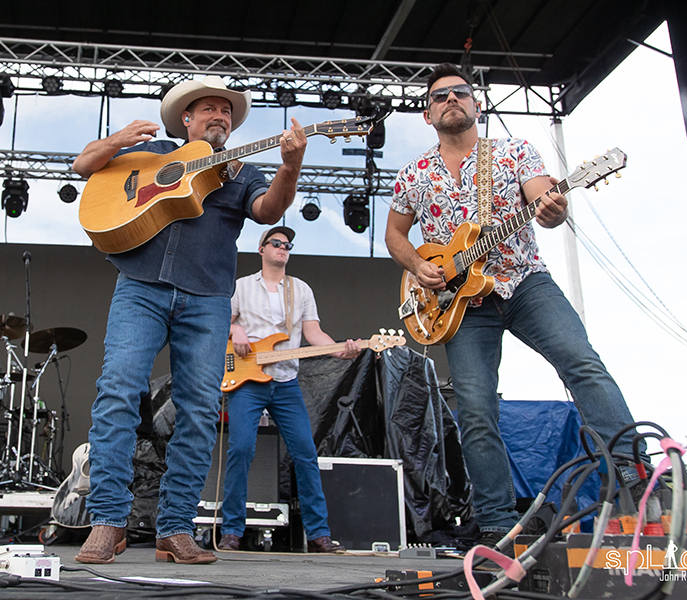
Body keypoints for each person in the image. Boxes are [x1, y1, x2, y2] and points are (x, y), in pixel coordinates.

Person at [385, 63, 644, 548]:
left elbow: (544, 201)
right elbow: (394, 235)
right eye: (440, 96)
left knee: (582, 363)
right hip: (459, 306)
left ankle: (633, 471)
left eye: (460, 92)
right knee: (478, 410)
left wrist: (555, 206)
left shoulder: (514, 152)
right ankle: (497, 522)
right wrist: (419, 266)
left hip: (524, 283)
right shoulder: (415, 173)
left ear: (476, 104)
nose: (451, 100)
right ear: (427, 114)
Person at [71, 75, 308, 564]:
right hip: (141, 286)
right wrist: (117, 141)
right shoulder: (154, 153)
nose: (219, 116)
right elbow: (83, 166)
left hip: (208, 300)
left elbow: (269, 210)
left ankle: (175, 528)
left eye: (226, 111)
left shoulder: (242, 171)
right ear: (186, 119)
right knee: (117, 391)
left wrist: (292, 164)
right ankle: (107, 520)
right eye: (208, 110)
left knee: (199, 411)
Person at [219, 226, 358, 553]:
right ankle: (231, 531)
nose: (283, 248)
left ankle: (319, 535)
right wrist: (235, 328)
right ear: (262, 249)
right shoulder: (241, 287)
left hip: (285, 383)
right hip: (247, 381)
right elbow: (220, 321)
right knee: (240, 450)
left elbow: (313, 332)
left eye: (287, 245)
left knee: (306, 454)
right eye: (277, 243)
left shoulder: (301, 290)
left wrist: (339, 349)